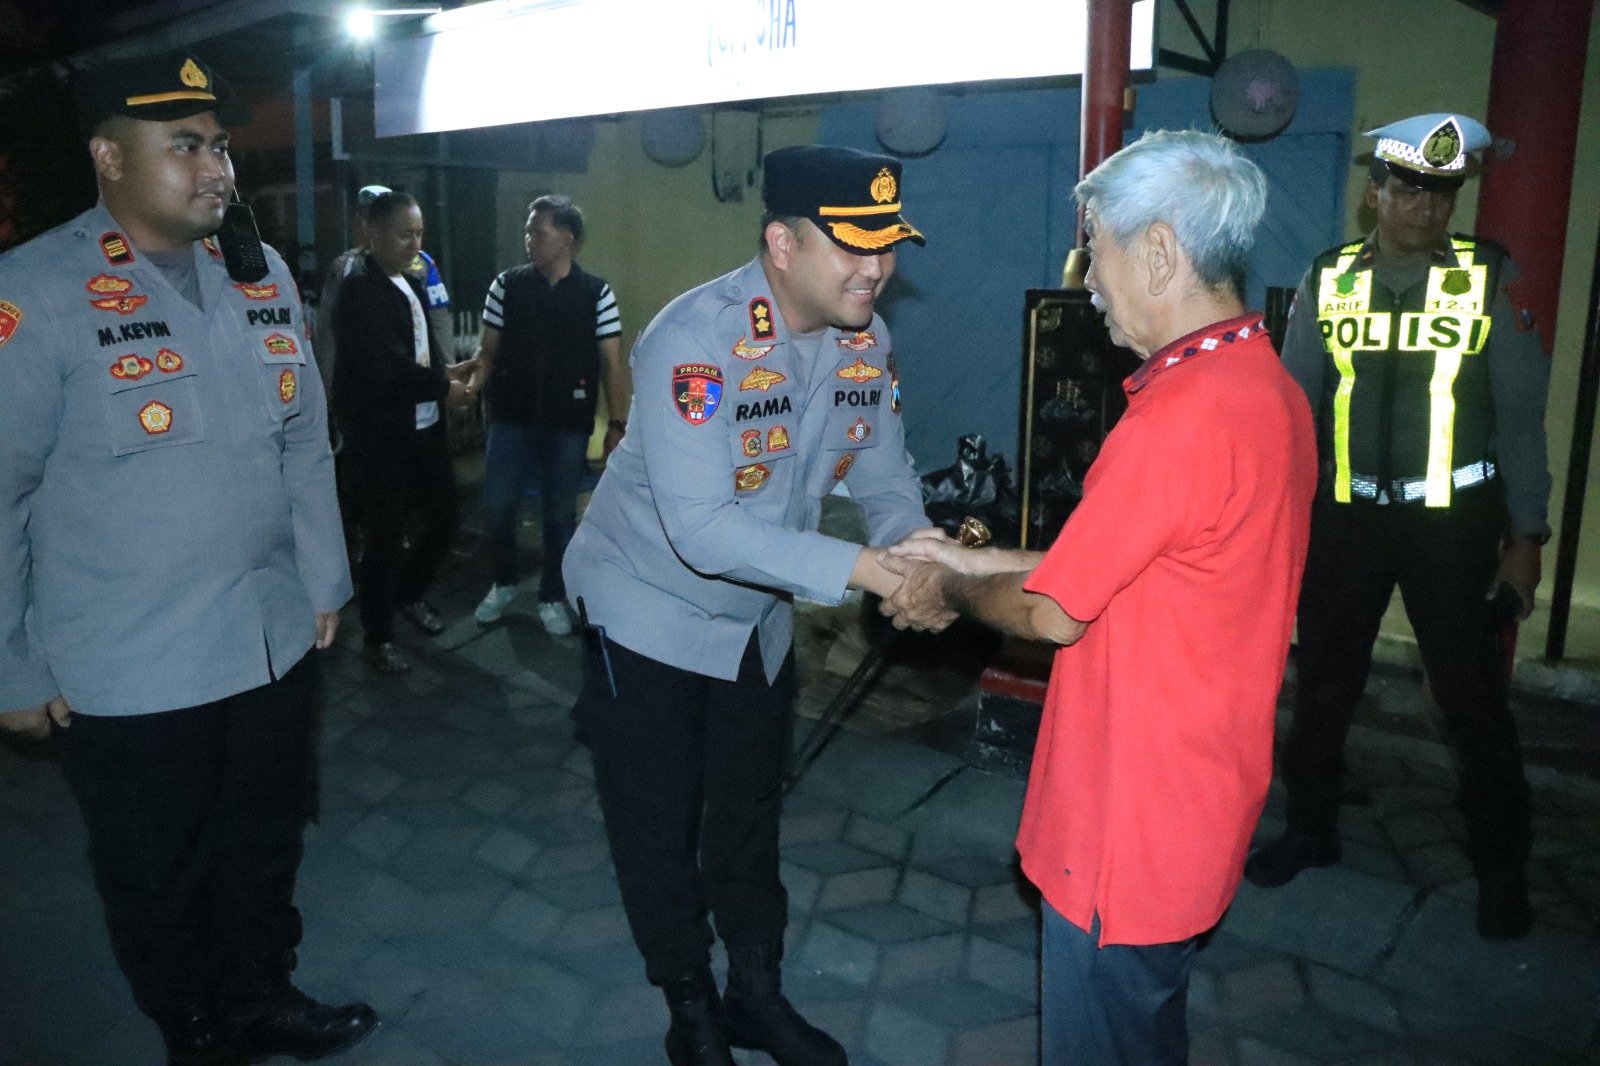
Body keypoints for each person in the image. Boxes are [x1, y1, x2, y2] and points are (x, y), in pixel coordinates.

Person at [880, 130, 1316, 1065]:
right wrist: (978, 554)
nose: (1087, 283)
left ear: (1159, 251)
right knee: (1145, 1032)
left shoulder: (1179, 419)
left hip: (1130, 818)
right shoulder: (1263, 387)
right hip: (1196, 797)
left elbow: (1055, 611)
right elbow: (1122, 562)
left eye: (1097, 253)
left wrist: (949, 587)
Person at [0, 51, 375, 1065]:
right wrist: (11, 666)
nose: (217, 167)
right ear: (109, 157)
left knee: (263, 839)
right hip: (130, 664)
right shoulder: (35, 292)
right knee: (159, 866)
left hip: (267, 636)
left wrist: (322, 578)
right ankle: (195, 1026)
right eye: (185, 146)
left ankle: (262, 993)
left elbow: (304, 440)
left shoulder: (258, 275)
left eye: (218, 145)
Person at [562, 145, 937, 1066]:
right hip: (647, 609)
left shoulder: (865, 340)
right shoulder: (695, 341)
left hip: (755, 622)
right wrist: (868, 570)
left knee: (749, 811)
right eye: (852, 246)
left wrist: (920, 557)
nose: (876, 268)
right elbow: (703, 531)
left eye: (886, 245)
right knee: (658, 824)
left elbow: (885, 477)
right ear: (782, 243)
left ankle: (754, 995)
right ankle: (690, 1008)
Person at [1244, 113, 1551, 940]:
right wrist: (1273, 519)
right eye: (1408, 189)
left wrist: (1526, 537)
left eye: (1441, 193)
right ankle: (1311, 829)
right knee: (1324, 687)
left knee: (1473, 700)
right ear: (1373, 195)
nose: (1426, 207)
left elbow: (1521, 419)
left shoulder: (1488, 279)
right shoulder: (1330, 278)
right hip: (1346, 523)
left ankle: (1501, 867)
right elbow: (1292, 409)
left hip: (1451, 530)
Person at [463, 194, 627, 634]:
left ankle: (553, 594)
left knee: (559, 514)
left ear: (567, 239)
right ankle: (504, 582)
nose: (529, 239)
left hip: (567, 424)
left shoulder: (596, 294)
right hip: (510, 418)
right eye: (528, 231)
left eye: (538, 232)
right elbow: (487, 351)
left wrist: (616, 424)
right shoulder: (506, 285)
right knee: (498, 507)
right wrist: (472, 385)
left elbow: (611, 363)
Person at [331, 190, 471, 674]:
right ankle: (378, 636)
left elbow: (417, 349)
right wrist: (444, 388)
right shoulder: (358, 290)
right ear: (373, 234)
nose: (415, 244)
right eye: (404, 234)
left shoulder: (407, 282)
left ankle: (408, 594)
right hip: (381, 436)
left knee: (444, 516)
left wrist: (447, 372)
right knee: (385, 538)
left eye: (419, 233)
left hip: (422, 427)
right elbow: (385, 367)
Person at [314, 183, 454, 401]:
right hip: (372, 397)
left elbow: (439, 322)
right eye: (364, 216)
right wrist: (327, 388)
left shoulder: (422, 266)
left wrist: (446, 374)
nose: (367, 225)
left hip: (421, 392)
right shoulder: (346, 268)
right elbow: (327, 332)